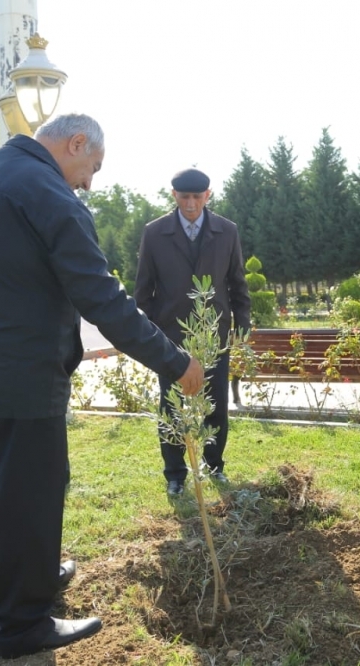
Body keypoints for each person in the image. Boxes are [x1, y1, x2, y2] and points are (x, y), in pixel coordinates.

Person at [0, 113, 204, 659]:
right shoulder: (51, 195)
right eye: (92, 167)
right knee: (29, 497)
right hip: (21, 380)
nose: (89, 183)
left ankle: (37, 573)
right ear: (75, 144)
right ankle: (23, 625)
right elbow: (103, 299)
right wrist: (174, 361)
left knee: (1, 495)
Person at [135, 168, 251, 497]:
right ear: (174, 195)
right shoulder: (154, 233)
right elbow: (144, 290)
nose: (190, 204)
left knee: (216, 405)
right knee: (171, 406)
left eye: (197, 197)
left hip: (215, 336)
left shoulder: (227, 231)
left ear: (207, 195)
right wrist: (149, 335)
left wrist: (242, 325)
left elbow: (237, 282)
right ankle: (175, 474)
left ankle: (214, 466)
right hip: (170, 339)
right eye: (184, 197)